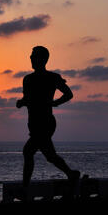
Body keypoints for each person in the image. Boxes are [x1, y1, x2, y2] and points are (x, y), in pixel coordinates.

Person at [16, 46, 80, 192]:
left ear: (43, 59)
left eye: (34, 56)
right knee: (50, 156)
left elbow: (68, 94)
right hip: (33, 123)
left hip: (45, 122)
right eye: (31, 56)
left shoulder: (52, 78)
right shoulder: (28, 79)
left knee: (28, 151)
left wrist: (54, 103)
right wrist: (21, 102)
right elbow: (28, 99)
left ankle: (25, 188)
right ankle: (72, 174)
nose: (31, 58)